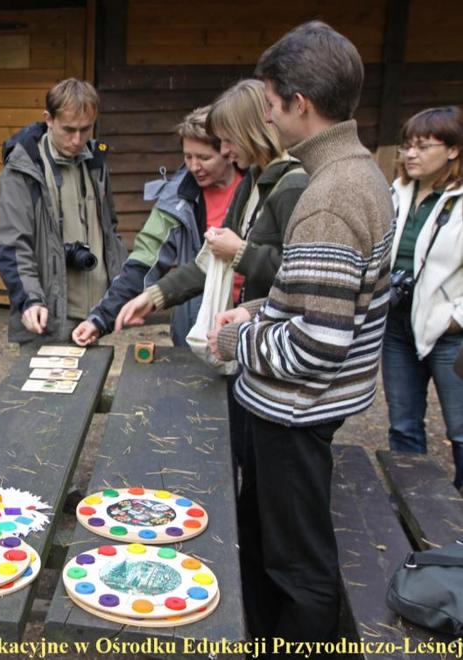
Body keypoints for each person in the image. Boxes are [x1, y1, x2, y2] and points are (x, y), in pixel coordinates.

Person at [206, 21, 394, 648]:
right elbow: (323, 300)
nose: (268, 116)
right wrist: (259, 312)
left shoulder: (329, 197)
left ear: (299, 104)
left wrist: (238, 340)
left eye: (269, 103)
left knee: (296, 569)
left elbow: (316, 346)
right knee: (273, 550)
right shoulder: (358, 170)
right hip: (311, 406)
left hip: (296, 410)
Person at [96, 80, 308, 471]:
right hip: (230, 332)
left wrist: (240, 253)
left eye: (224, 142)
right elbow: (201, 262)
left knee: (254, 457)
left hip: (266, 345)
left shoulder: (290, 184)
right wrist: (152, 297)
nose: (224, 150)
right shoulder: (253, 185)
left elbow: (304, 275)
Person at [71, 106, 241, 348]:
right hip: (197, 329)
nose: (193, 167)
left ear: (228, 151)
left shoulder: (257, 184)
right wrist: (100, 319)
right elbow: (144, 260)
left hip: (248, 321)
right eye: (187, 156)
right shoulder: (179, 197)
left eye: (203, 158)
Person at [0, 78, 127, 343]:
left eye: (85, 129)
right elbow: (12, 246)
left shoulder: (96, 163)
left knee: (92, 382)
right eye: (69, 130)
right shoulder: (22, 170)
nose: (77, 140)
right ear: (49, 119)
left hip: (94, 316)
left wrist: (119, 294)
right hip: (48, 314)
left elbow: (110, 231)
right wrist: (30, 300)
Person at [384, 106, 463, 488]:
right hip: (397, 325)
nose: (410, 154)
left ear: (453, 150)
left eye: (422, 146)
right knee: (403, 426)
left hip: (451, 334)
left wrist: (456, 319)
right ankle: (410, 504)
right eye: (406, 146)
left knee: (461, 430)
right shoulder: (396, 192)